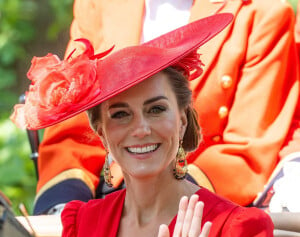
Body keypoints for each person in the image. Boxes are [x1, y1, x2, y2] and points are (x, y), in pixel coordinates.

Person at [11, 16, 276, 237]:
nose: (141, 129)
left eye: (156, 109)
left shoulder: (240, 232)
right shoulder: (82, 226)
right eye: (121, 115)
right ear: (102, 133)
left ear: (183, 120)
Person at [32, 0, 300, 215]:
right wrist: (63, 205)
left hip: (203, 201)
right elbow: (76, 130)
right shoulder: (99, 5)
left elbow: (246, 146)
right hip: (108, 193)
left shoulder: (261, 11)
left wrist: (174, 202)